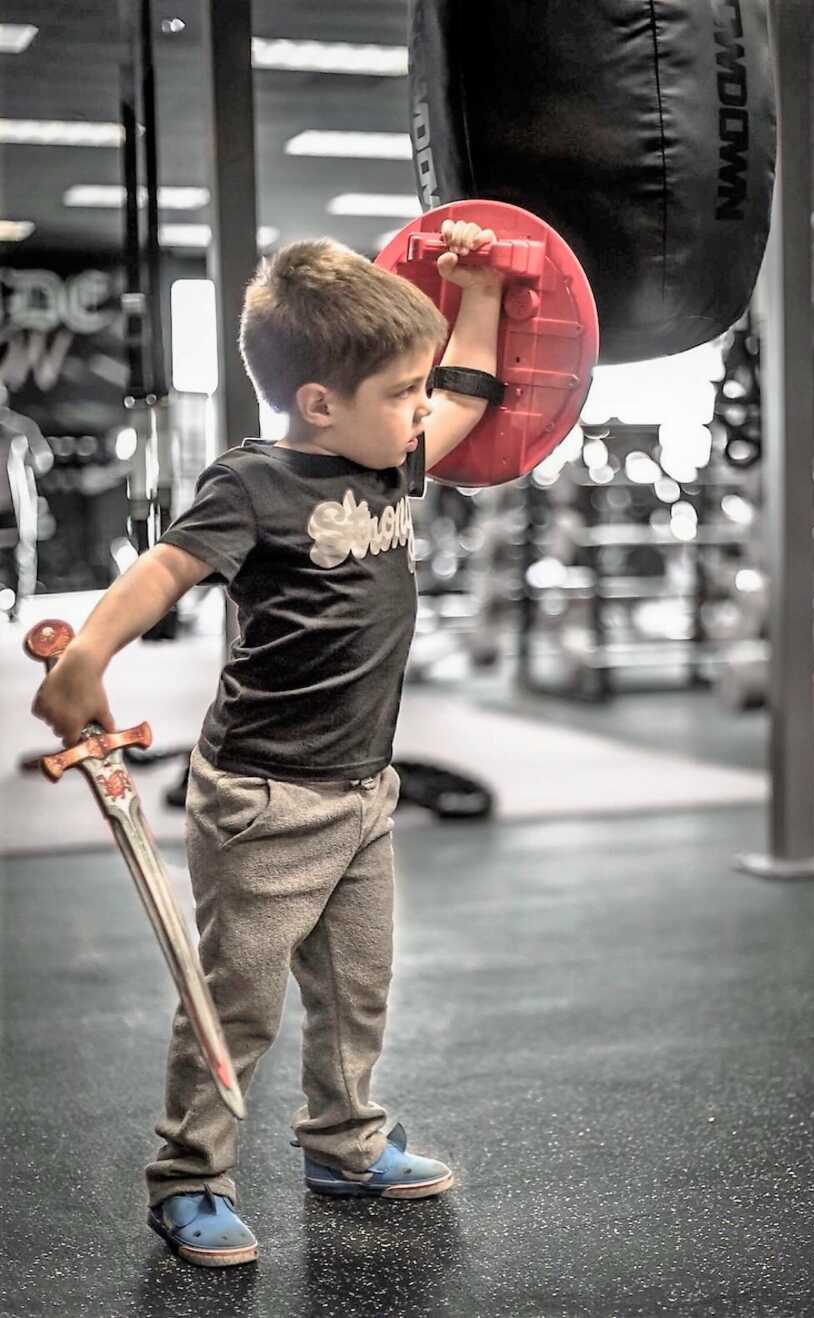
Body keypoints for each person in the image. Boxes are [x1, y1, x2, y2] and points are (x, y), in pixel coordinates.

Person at [31, 219, 504, 1267]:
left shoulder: (395, 456)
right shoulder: (253, 484)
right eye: (400, 393)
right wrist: (87, 659)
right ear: (320, 403)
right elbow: (163, 571)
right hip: (263, 800)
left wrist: (478, 293)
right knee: (231, 1006)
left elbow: (468, 391)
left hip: (363, 791)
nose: (423, 409)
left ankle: (342, 1139)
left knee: (357, 987)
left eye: (417, 390)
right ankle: (189, 1176)